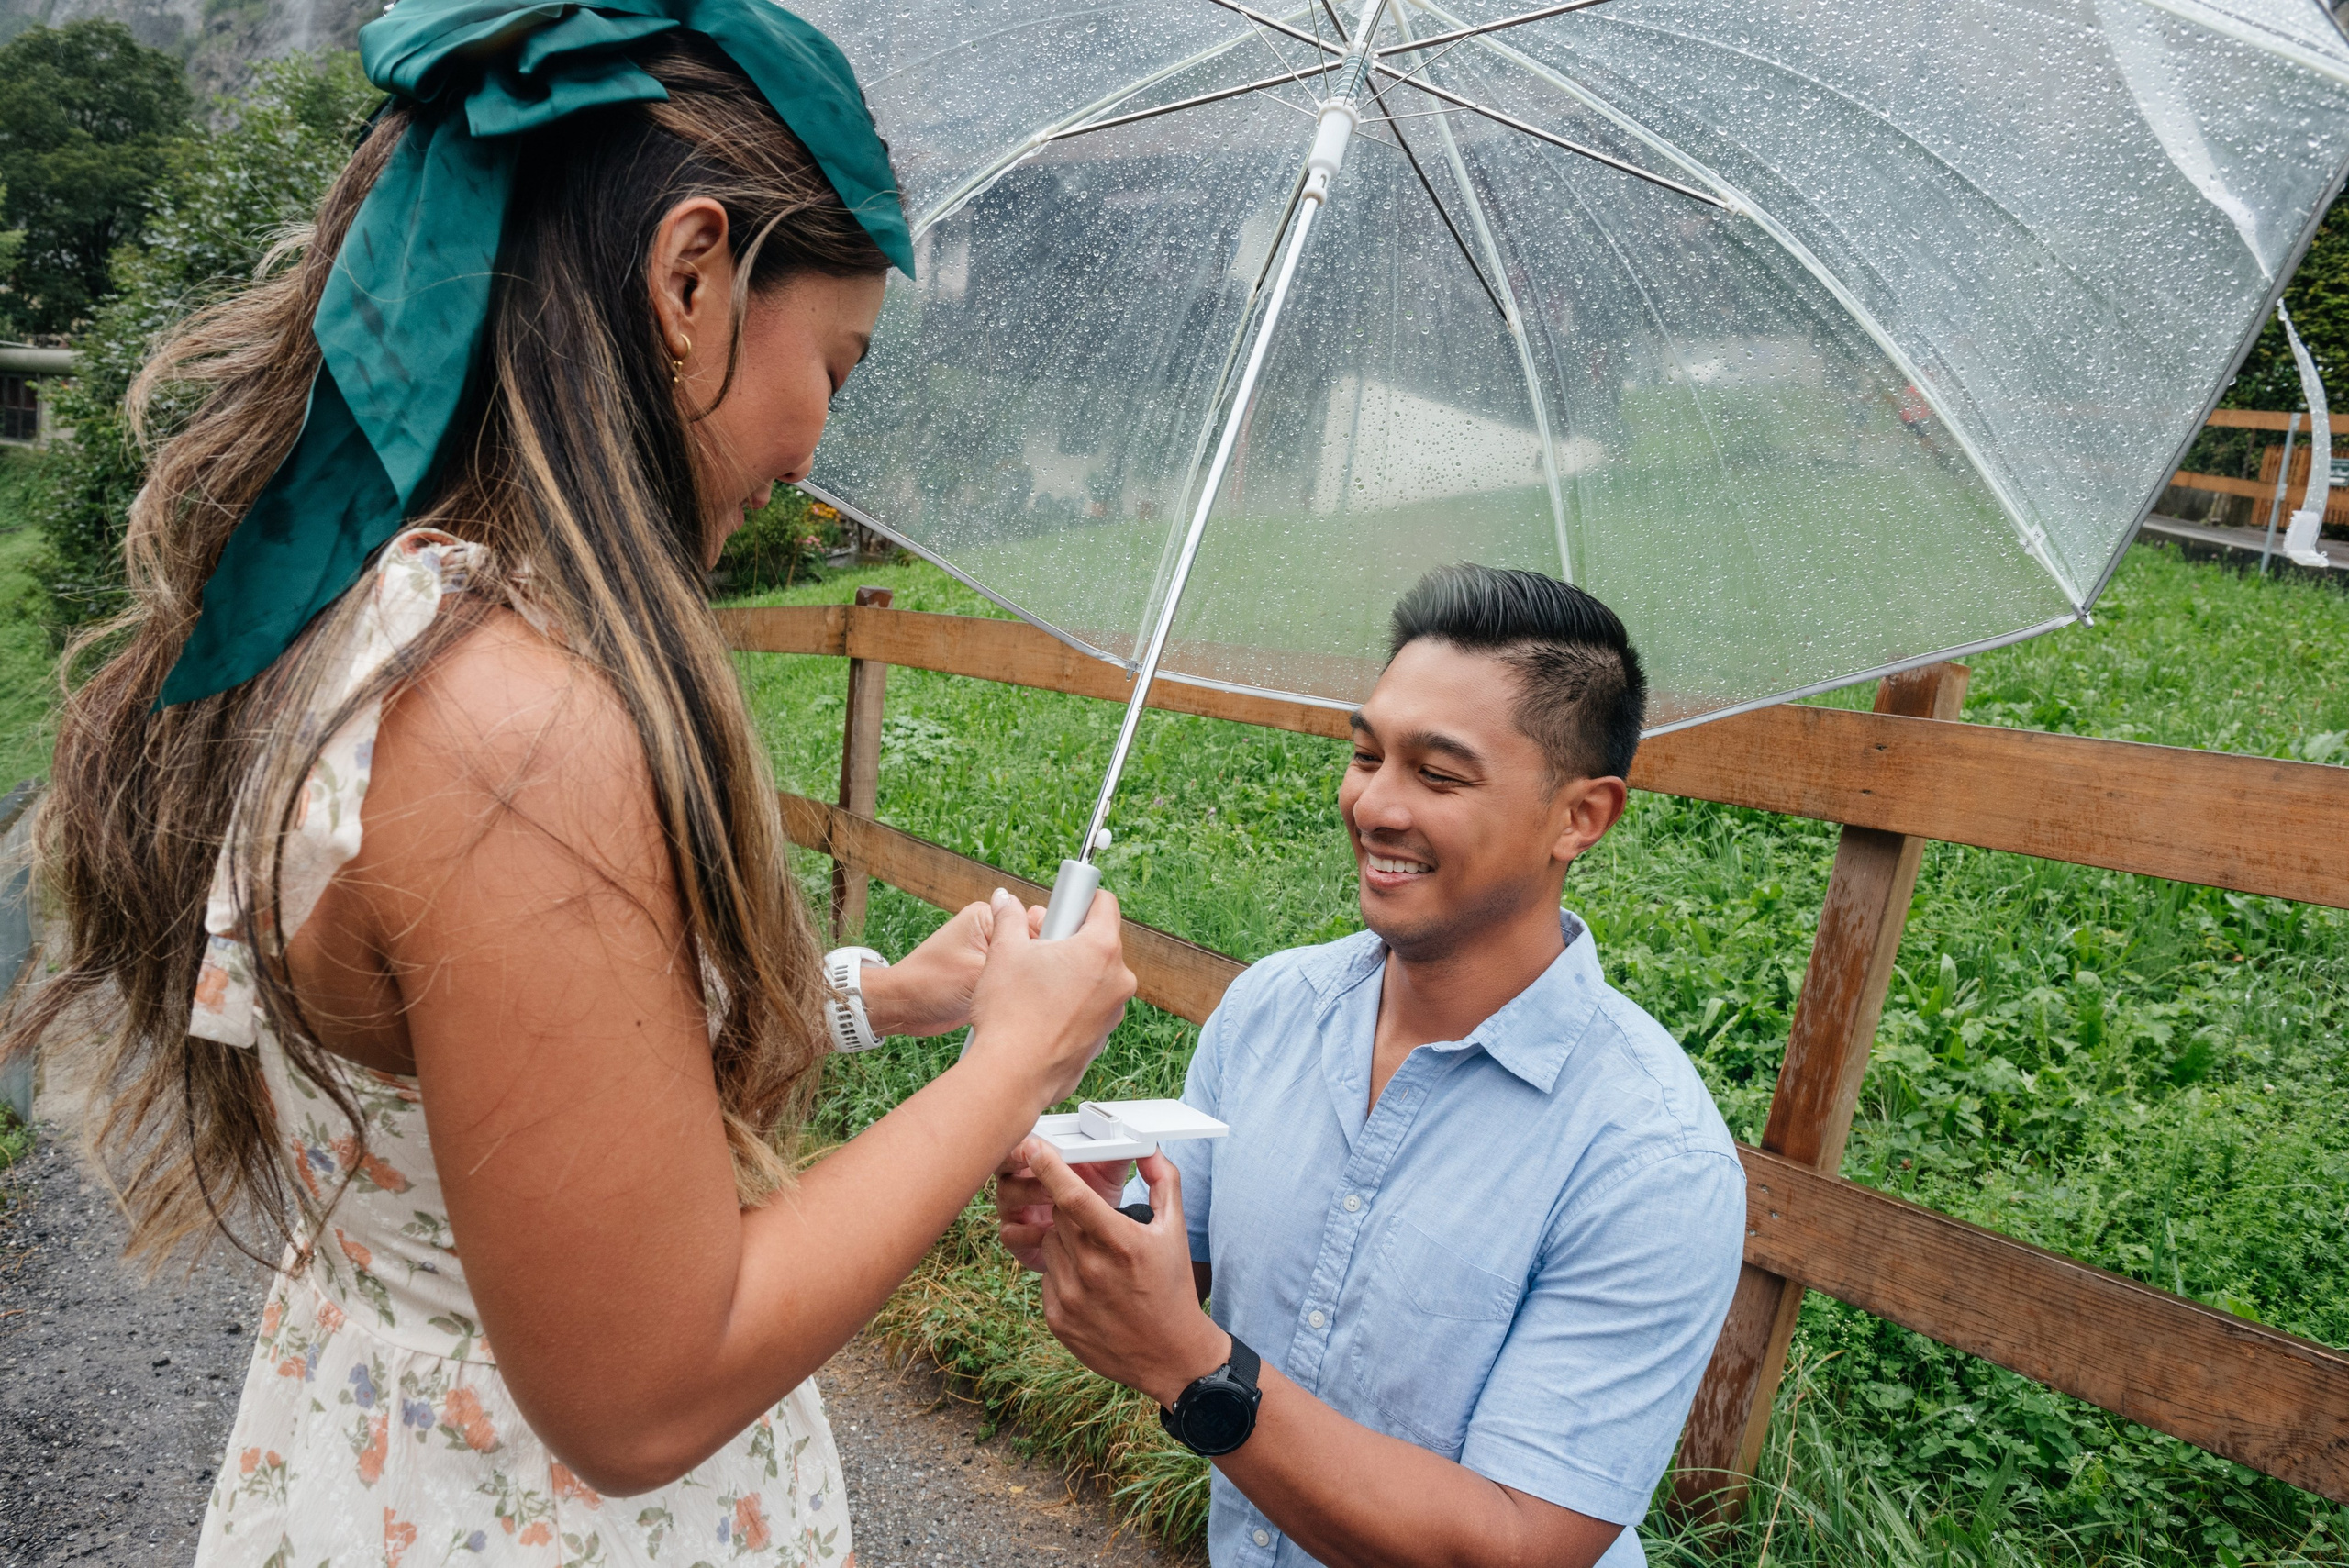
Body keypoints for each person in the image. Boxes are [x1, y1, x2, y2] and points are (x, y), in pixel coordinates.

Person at [3, 5, 1134, 1563]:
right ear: (691, 278)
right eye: (836, 364)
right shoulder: (520, 735)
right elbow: (644, 1389)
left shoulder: (392, 624)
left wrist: (885, 995)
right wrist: (1013, 1065)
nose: (813, 447)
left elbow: (552, 1069)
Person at [996, 564, 1747, 1568]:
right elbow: (1187, 1260)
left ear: (1582, 816)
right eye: (1364, 753)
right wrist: (1089, 1225)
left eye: (1438, 775)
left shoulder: (1650, 1157)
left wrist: (1192, 1364)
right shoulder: (1271, 1007)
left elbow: (1518, 1545)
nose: (1374, 805)